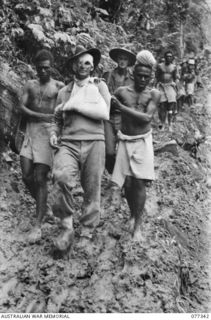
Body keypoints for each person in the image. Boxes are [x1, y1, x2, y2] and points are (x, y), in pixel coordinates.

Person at [49, 46, 111, 251]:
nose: (84, 66)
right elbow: (56, 119)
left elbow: (105, 113)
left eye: (88, 63)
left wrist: (74, 106)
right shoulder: (63, 92)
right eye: (80, 62)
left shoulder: (99, 87)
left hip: (94, 141)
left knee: (92, 186)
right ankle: (66, 226)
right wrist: (53, 133)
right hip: (69, 143)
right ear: (73, 65)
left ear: (92, 67)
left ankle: (87, 228)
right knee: (61, 177)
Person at [111, 50, 160, 241]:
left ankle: (138, 225)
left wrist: (122, 108)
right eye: (139, 75)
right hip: (125, 139)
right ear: (132, 74)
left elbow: (147, 117)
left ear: (151, 77)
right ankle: (132, 214)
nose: (142, 79)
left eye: (146, 77)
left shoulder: (154, 94)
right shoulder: (121, 92)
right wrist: (114, 133)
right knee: (128, 183)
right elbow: (110, 114)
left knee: (139, 183)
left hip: (142, 140)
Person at [19, 49, 64, 243]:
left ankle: (37, 225)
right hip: (31, 130)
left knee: (40, 176)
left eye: (46, 68)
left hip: (48, 132)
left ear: (51, 67)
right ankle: (43, 205)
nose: (43, 71)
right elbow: (22, 107)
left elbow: (63, 111)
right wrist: (38, 115)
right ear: (36, 68)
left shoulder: (58, 87)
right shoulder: (30, 85)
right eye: (40, 68)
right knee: (26, 175)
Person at [103, 48, 136, 174]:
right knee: (109, 151)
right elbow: (102, 92)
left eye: (125, 59)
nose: (122, 61)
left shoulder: (132, 79)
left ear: (128, 62)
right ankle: (113, 174)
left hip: (125, 117)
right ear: (117, 60)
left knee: (126, 150)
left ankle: (123, 179)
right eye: (120, 59)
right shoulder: (108, 75)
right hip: (109, 116)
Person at [155, 50, 179, 131]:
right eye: (167, 56)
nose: (169, 57)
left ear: (172, 58)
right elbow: (157, 77)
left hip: (170, 86)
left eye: (170, 56)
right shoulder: (160, 66)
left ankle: (170, 124)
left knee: (170, 107)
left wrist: (176, 87)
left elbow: (175, 78)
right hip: (162, 86)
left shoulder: (174, 67)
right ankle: (162, 123)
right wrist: (155, 86)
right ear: (164, 57)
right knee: (162, 106)